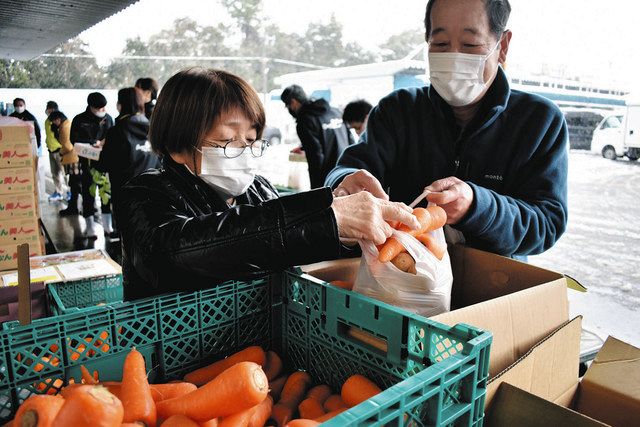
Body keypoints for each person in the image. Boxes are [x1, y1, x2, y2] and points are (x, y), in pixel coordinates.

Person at [118, 68, 419, 300]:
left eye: (250, 140)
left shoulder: (258, 190)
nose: (245, 152)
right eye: (227, 141)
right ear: (178, 146)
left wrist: (345, 231)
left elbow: (291, 244)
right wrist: (327, 217)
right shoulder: (144, 195)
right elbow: (172, 254)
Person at [326, 0, 568, 258]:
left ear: (503, 46)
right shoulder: (397, 110)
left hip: (492, 286)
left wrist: (477, 205)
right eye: (440, 44)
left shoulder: (539, 121)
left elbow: (547, 223)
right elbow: (345, 170)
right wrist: (344, 184)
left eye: (470, 45)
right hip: (398, 277)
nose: (453, 57)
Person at [95, 87, 160, 236]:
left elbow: (104, 163)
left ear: (120, 104)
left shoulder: (116, 131)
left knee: (128, 235)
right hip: (153, 191)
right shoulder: (153, 128)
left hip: (125, 193)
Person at [61, 92, 114, 240]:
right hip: (87, 164)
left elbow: (114, 137)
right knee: (88, 195)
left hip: (105, 165)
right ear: (91, 107)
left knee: (106, 196)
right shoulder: (79, 119)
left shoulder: (108, 119)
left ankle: (107, 226)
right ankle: (90, 227)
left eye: (104, 107)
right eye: (99, 108)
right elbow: (74, 140)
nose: (102, 110)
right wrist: (93, 144)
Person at [281, 85, 352, 189]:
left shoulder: (305, 120)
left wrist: (316, 189)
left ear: (293, 102)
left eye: (288, 106)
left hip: (327, 179)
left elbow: (315, 156)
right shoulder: (336, 112)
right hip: (347, 171)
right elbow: (350, 141)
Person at [44, 101, 66, 201]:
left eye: (52, 109)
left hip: (60, 150)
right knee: (55, 173)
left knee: (65, 173)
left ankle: (71, 192)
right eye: (48, 108)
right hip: (51, 150)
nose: (49, 111)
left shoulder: (60, 120)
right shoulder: (47, 121)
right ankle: (58, 192)